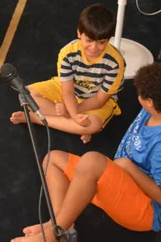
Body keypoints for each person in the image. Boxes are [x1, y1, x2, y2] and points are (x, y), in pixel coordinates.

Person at [11, 62, 161, 241]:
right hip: (119, 177)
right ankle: (62, 227)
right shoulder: (152, 111)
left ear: (150, 101)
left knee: (92, 160)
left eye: (140, 94)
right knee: (53, 159)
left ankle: (51, 235)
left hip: (144, 210)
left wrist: (129, 167)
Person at [10, 4, 125, 143]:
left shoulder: (115, 62)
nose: (94, 48)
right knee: (25, 95)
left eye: (101, 42)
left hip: (96, 101)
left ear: (108, 39)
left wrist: (73, 112)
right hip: (70, 93)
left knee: (93, 125)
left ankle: (38, 119)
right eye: (89, 40)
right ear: (79, 33)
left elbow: (101, 99)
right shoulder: (67, 53)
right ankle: (72, 123)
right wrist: (74, 114)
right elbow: (68, 91)